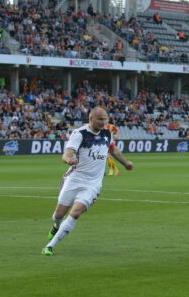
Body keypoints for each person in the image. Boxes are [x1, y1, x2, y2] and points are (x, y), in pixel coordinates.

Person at [43, 108, 134, 255]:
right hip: (74, 178)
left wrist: (126, 163)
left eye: (105, 119)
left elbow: (113, 150)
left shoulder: (106, 133)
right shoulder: (79, 134)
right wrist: (68, 159)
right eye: (100, 119)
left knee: (76, 213)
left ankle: (49, 246)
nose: (104, 122)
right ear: (91, 118)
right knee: (59, 214)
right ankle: (56, 226)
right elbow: (66, 154)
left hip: (93, 184)